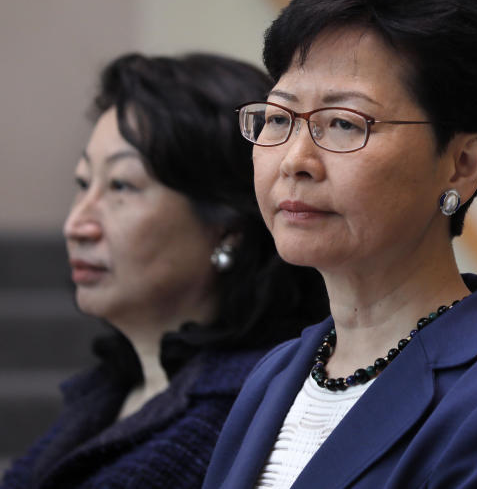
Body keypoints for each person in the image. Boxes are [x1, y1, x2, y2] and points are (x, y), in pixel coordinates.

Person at [200, 0, 477, 489]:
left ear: (461, 165)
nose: (296, 161)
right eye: (279, 118)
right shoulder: (276, 374)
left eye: (345, 124)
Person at [1, 53, 330, 489]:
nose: (77, 225)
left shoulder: (239, 411)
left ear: (227, 226)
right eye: (83, 184)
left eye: (121, 186)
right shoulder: (113, 388)